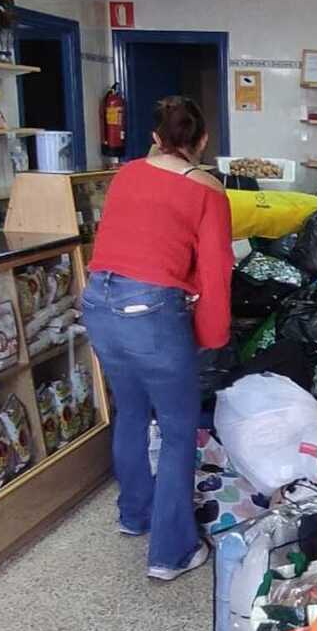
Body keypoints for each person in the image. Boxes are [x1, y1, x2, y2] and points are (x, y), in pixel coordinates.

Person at [82, 95, 233, 580]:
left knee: (130, 411)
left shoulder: (126, 174)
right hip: (151, 310)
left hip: (98, 302)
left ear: (153, 138)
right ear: (203, 140)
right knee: (175, 429)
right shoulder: (207, 189)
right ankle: (171, 553)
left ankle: (134, 516)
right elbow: (215, 271)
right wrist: (212, 335)